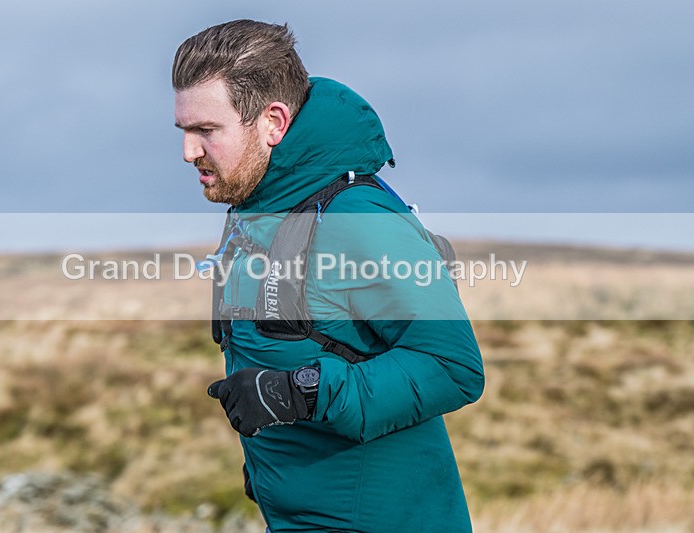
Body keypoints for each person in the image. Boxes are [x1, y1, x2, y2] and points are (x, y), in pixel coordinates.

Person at [172, 19, 485, 533]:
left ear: (273, 122)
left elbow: (453, 367)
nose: (188, 151)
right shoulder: (257, 207)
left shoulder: (355, 218)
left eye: (206, 130)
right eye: (184, 130)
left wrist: (300, 392)